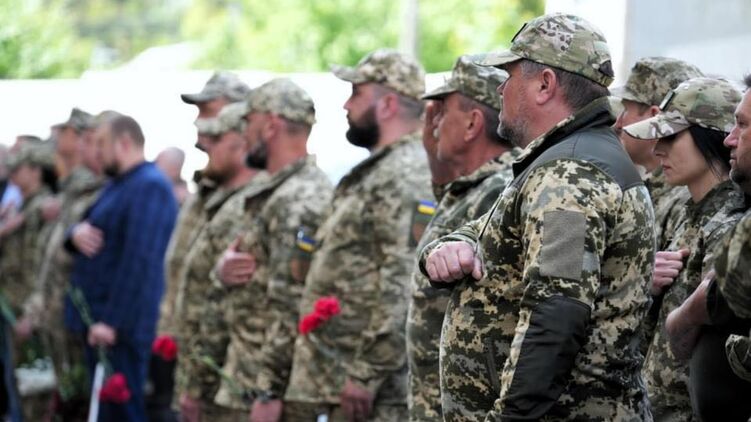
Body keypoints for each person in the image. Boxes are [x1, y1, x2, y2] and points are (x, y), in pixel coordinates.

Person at [422, 13, 654, 420]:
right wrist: (451, 246)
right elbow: (486, 233)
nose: (500, 88)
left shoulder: (571, 175)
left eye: (509, 75)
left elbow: (556, 313)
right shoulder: (562, 162)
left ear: (545, 85)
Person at [277, 49, 430, 422]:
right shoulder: (383, 168)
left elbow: (403, 276)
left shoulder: (407, 172)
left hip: (374, 392)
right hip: (343, 378)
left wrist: (367, 372)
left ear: (388, 104)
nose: (346, 105)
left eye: (356, 93)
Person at [203, 78, 333, 422]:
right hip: (243, 377)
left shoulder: (301, 198)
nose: (243, 134)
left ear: (271, 126)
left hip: (269, 392)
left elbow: (290, 303)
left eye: (248, 122)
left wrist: (269, 391)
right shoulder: (273, 190)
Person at [405, 54, 518, 421]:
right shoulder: (472, 188)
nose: (435, 123)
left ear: (472, 123)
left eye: (443, 111)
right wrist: (432, 150)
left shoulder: (499, 190)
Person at [623, 77, 744, 421]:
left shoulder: (728, 224)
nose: (658, 149)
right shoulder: (692, 214)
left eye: (671, 137)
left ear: (711, 135)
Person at [65, 114, 178, 421]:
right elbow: (83, 225)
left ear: (124, 142)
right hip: (101, 323)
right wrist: (74, 234)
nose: (96, 152)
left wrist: (111, 321)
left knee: (121, 411)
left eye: (102, 144)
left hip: (120, 328)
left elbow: (140, 262)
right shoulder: (119, 184)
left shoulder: (149, 187)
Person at [665, 74, 751, 421]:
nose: (730, 138)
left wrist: (683, 317)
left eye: (742, 125)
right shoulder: (686, 212)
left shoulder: (731, 220)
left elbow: (719, 295)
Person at [173, 102, 261, 422]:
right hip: (205, 369)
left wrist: (198, 384)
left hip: (227, 377)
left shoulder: (249, 205)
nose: (206, 145)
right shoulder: (220, 197)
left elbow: (226, 303)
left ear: (241, 143)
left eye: (217, 138)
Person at [20, 110, 111, 420]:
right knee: (68, 395)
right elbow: (52, 257)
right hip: (58, 311)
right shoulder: (74, 188)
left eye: (91, 140)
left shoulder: (104, 190)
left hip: (79, 314)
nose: (85, 146)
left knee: (83, 398)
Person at [613, 57, 703, 248]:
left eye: (625, 110)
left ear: (654, 117)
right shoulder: (648, 190)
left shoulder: (686, 200)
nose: (618, 123)